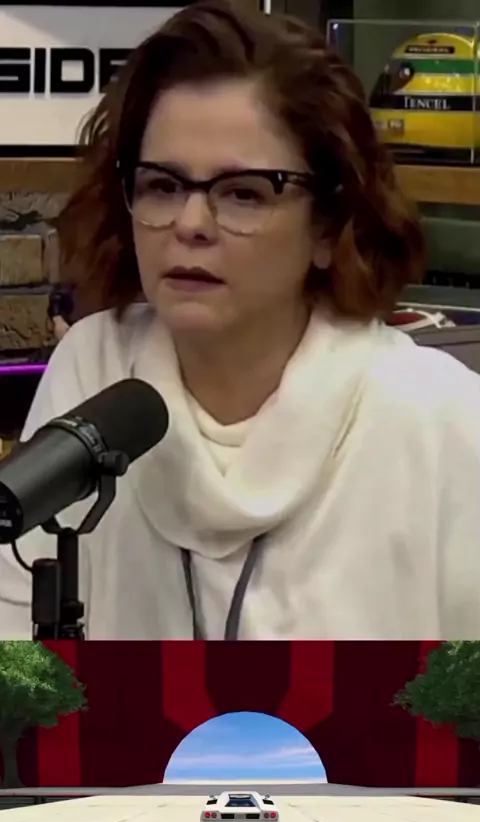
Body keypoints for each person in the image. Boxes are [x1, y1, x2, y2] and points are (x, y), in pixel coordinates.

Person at [1, 0, 479, 641]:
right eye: (163, 185)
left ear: (328, 226)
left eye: (244, 193)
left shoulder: (440, 419)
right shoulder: (95, 367)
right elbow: (15, 636)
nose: (191, 224)